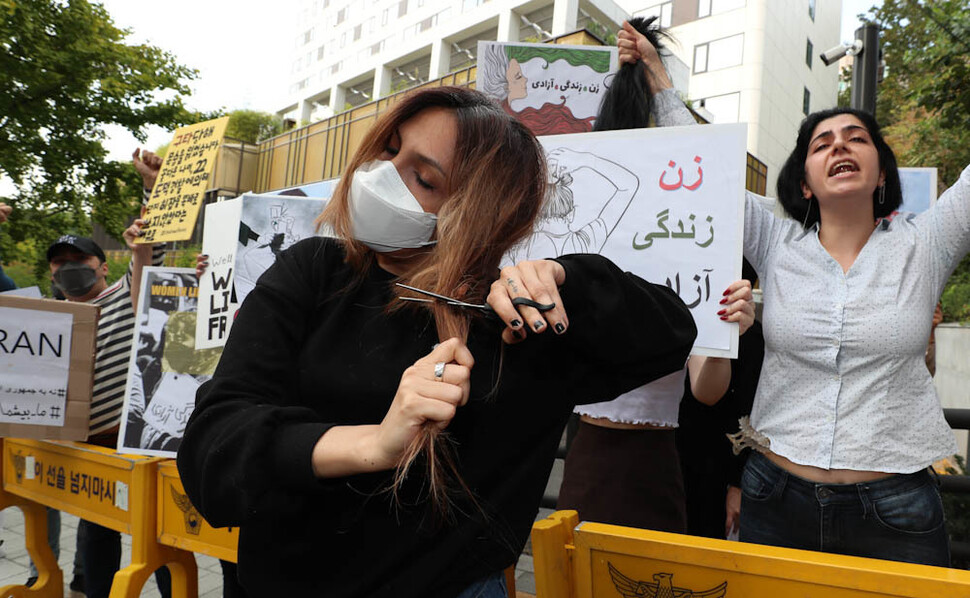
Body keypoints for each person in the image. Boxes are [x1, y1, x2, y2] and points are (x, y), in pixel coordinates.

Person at [177, 86, 697, 598]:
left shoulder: (515, 325)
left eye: (423, 178)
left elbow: (672, 332)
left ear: (484, 210)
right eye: (388, 149)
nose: (383, 176)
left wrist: (566, 277)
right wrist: (374, 444)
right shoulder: (316, 272)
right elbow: (213, 452)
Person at [618, 19, 970, 567]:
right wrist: (658, 76)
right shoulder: (775, 241)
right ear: (805, 182)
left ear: (880, 173)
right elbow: (702, 169)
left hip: (897, 510)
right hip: (773, 497)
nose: (840, 147)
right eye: (822, 144)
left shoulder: (927, 244)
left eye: (857, 139)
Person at [555, 18, 755, 534]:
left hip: (663, 459)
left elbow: (708, 392)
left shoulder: (690, 247)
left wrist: (722, 334)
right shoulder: (582, 241)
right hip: (587, 454)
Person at [46, 148, 172, 598]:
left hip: (137, 442)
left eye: (78, 259)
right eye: (59, 263)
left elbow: (150, 258)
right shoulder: (42, 322)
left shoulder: (125, 294)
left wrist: (154, 191)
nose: (69, 268)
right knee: (97, 538)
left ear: (102, 265)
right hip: (84, 451)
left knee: (157, 535)